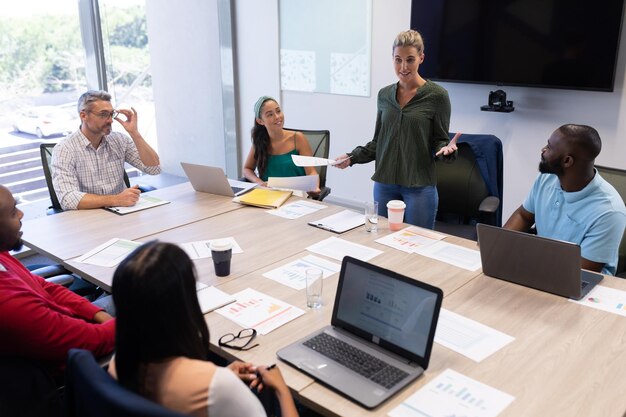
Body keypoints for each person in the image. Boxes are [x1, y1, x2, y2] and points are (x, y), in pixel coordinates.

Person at [110, 241, 298, 417]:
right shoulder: (219, 387)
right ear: (184, 304)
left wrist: (219, 377)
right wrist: (281, 389)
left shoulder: (118, 364)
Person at [334, 30, 457, 229]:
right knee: (382, 241)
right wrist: (352, 157)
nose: (403, 67)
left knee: (418, 244)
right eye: (398, 59)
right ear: (392, 58)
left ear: (421, 58)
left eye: (410, 60)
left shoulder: (438, 96)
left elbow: (440, 140)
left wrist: (447, 150)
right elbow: (378, 141)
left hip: (419, 187)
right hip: (385, 184)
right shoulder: (384, 95)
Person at [0, 184, 115, 369]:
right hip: (77, 364)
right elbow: (97, 340)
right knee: (154, 305)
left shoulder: (1, 256)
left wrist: (97, 313)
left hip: (68, 321)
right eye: (13, 212)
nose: (21, 214)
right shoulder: (9, 305)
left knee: (137, 295)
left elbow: (42, 286)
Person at [504, 124, 626, 275]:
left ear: (567, 161)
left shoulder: (610, 211)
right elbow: (523, 215)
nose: (543, 150)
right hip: (541, 266)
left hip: (582, 281)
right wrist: (499, 246)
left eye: (549, 147)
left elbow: (578, 274)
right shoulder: (546, 178)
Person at [51, 90, 161, 210]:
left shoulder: (120, 140)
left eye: (111, 114)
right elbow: (68, 198)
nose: (110, 120)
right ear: (84, 116)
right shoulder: (65, 149)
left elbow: (154, 169)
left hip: (122, 213)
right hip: (87, 218)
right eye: (103, 114)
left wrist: (134, 133)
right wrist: (116, 200)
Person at [243, 96, 320, 196]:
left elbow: (311, 172)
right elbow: (247, 169)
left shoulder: (298, 138)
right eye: (270, 114)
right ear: (260, 121)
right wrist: (259, 183)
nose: (277, 117)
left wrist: (315, 187)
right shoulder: (259, 142)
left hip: (296, 197)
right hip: (268, 196)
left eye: (278, 111)